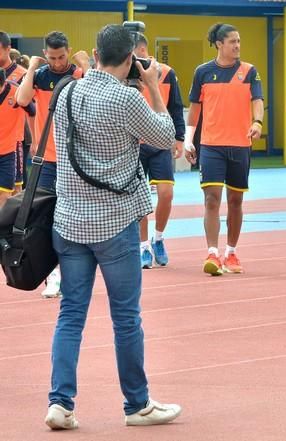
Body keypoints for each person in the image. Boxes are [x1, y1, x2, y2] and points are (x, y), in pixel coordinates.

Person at [45, 24, 181, 430]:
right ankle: (137, 405)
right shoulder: (127, 98)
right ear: (130, 60)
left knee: (70, 314)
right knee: (125, 318)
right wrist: (153, 85)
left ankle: (60, 404)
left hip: (69, 222)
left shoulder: (67, 91)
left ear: (93, 52)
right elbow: (166, 137)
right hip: (115, 223)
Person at [184, 23, 264, 276]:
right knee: (211, 199)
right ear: (219, 44)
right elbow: (195, 110)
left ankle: (231, 251)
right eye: (232, 41)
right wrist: (188, 140)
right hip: (211, 146)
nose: (237, 46)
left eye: (239, 41)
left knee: (236, 200)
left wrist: (257, 122)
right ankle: (212, 253)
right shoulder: (203, 73)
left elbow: (258, 101)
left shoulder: (250, 71)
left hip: (240, 146)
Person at [16, 30, 90, 298]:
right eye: (52, 57)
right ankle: (53, 275)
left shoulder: (79, 75)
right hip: (46, 160)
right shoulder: (41, 75)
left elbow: (100, 92)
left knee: (74, 218)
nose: (57, 63)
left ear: (68, 51)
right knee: (44, 219)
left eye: (61, 57)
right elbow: (23, 100)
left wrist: (86, 65)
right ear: (45, 54)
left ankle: (75, 270)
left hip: (76, 161)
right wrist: (32, 68)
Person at [133, 32, 185, 269]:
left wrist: (180, 138)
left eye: (137, 55)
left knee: (166, 193)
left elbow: (175, 106)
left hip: (161, 142)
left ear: (144, 51)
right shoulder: (124, 73)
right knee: (140, 199)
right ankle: (143, 246)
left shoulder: (166, 72)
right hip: (135, 144)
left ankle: (159, 238)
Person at [0, 67, 34, 207]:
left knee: (9, 192)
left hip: (10, 149)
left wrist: (35, 140)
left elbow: (32, 113)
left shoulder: (16, 92)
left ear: (3, 83)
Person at [0, 32, 28, 195]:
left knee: (15, 188)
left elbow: (32, 110)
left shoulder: (22, 75)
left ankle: (13, 220)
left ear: (8, 49)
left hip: (14, 140)